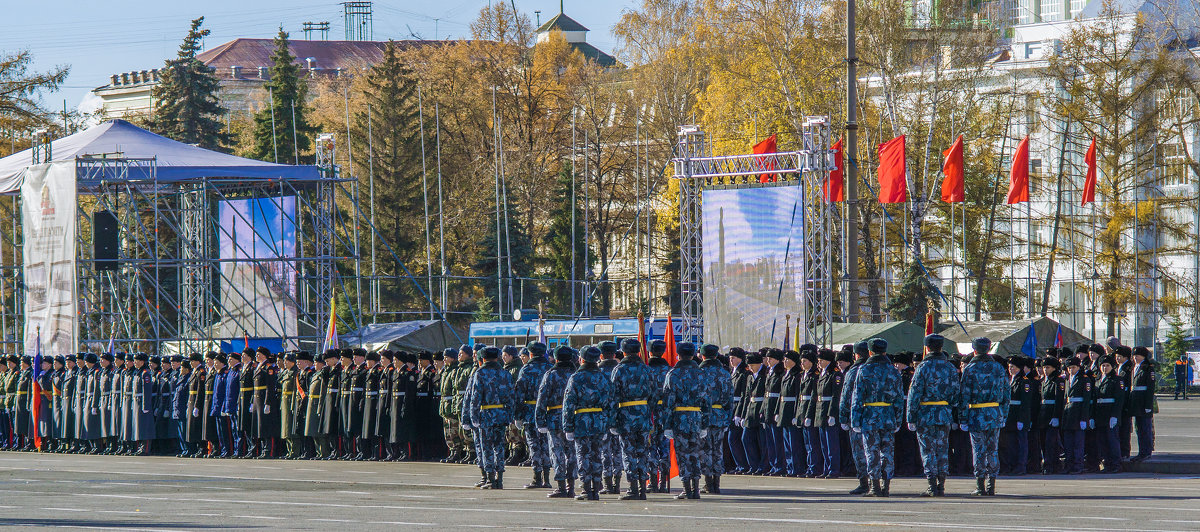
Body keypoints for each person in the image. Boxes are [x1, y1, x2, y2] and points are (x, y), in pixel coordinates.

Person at [906, 334, 959, 497]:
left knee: (928, 450)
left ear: (927, 348)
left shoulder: (923, 367)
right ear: (941, 347)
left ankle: (931, 485)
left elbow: (914, 394)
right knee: (942, 449)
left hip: (925, 415)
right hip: (943, 414)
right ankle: (941, 485)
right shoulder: (949, 367)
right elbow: (956, 393)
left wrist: (910, 417)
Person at [849, 338, 904, 497]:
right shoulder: (893, 370)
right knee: (887, 452)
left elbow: (857, 398)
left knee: (871, 451)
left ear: (870, 352)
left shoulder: (864, 370)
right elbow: (899, 399)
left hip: (869, 417)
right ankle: (886, 486)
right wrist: (898, 419)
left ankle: (874, 487)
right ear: (885, 351)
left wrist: (855, 420)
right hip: (888, 416)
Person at [958, 337, 1010, 496]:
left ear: (974, 350)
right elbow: (1006, 395)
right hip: (994, 414)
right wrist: (1003, 415)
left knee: (979, 450)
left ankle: (980, 486)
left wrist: (963, 418)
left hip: (976, 414)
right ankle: (991, 485)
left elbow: (964, 396)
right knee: (992, 450)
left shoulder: (970, 369)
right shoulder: (998, 368)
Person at [562, 345, 613, 501]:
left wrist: (567, 426)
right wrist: (607, 424)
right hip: (599, 422)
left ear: (581, 359)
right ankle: (596, 488)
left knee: (583, 454)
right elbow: (609, 403)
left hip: (581, 422)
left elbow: (569, 404)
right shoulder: (603, 377)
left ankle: (585, 489)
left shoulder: (576, 378)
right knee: (597, 455)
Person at [662, 342, 711, 500]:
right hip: (696, 418)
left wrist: (667, 425)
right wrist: (705, 423)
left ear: (678, 355)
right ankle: (696, 488)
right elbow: (707, 401)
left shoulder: (673, 374)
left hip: (679, 419)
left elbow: (668, 402)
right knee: (695, 453)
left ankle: (686, 488)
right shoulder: (701, 373)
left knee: (683, 455)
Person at [609, 338, 656, 500]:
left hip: (625, 417)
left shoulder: (619, 370)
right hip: (643, 416)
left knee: (628, 453)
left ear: (623, 352)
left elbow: (613, 397)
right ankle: (643, 487)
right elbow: (654, 395)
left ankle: (633, 488)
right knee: (643, 452)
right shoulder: (646, 369)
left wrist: (613, 421)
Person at [466, 346, 517, 489]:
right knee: (499, 447)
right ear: (497, 357)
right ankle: (499, 478)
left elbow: (475, 398)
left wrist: (473, 416)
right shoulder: (505, 373)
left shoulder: (480, 373)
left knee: (487, 447)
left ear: (483, 358)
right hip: (501, 415)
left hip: (486, 415)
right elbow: (511, 397)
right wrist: (509, 414)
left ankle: (490, 479)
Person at [537, 345, 579, 498]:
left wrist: (540, 421)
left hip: (554, 418)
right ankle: (571, 486)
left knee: (557, 452)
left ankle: (561, 487)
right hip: (575, 417)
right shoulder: (576, 373)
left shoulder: (551, 374)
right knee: (572, 452)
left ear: (556, 358)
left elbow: (542, 399)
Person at [515, 341, 552, 489]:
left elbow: (519, 394)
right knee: (547, 446)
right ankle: (547, 478)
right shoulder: (550, 368)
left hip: (531, 412)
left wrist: (517, 415)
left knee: (534, 446)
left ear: (530, 354)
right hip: (549, 411)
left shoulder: (526, 369)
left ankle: (537, 478)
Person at [699, 344, 733, 494]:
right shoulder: (724, 373)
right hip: (719, 415)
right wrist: (727, 418)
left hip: (703, 416)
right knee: (717, 450)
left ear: (702, 356)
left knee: (705, 450)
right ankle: (716, 483)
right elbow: (730, 399)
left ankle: (708, 483)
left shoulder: (700, 372)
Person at [839, 341, 871, 494]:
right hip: (881, 417)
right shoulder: (883, 369)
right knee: (878, 451)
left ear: (856, 355)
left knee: (859, 452)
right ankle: (881, 483)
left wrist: (843, 418)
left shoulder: (854, 371)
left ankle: (864, 483)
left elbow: (845, 398)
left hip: (857, 417)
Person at [596, 341, 624, 495]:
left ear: (601, 355)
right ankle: (617, 483)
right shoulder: (621, 370)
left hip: (602, 416)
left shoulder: (597, 371)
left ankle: (607, 484)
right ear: (614, 354)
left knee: (604, 452)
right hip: (620, 415)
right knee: (617, 450)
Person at [645, 339, 673, 492]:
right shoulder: (670, 370)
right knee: (664, 447)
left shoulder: (646, 370)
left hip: (650, 413)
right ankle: (663, 481)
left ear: (649, 352)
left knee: (650, 447)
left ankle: (653, 481)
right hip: (666, 413)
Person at [1001, 356, 1033, 476]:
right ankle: (1011, 465)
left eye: (1012, 367)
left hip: (1019, 416)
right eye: (1009, 367)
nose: (1010, 369)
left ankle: (1020, 466)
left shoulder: (1024, 382)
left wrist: (1021, 419)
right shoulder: (1010, 380)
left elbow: (1025, 403)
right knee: (1010, 443)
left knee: (1021, 443)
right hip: (1010, 416)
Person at [815, 348, 843, 479]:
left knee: (832, 444)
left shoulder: (835, 374)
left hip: (829, 410)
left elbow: (835, 396)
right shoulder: (822, 373)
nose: (819, 363)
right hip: (821, 409)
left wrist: (832, 414)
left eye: (821, 360)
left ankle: (834, 469)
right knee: (824, 444)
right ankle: (827, 468)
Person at [1093, 355, 1125, 473]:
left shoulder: (1117, 380)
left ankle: (1116, 464)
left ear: (1112, 367)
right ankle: (1107, 463)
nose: (1105, 368)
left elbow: (1119, 399)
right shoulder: (1097, 380)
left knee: (1112, 440)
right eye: (1103, 366)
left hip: (1110, 413)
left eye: (1107, 365)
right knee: (1102, 441)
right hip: (1100, 414)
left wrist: (1115, 416)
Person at [1061, 356, 1091, 474]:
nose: (1071, 370)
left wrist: (1084, 418)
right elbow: (1065, 398)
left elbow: (1086, 400)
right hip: (1068, 413)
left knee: (1078, 443)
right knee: (1068, 443)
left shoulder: (1084, 379)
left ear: (1078, 367)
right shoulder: (1068, 379)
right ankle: (1069, 465)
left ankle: (1078, 465)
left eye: (1073, 367)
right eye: (1069, 368)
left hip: (1078, 414)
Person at [776, 349, 804, 477]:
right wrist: (777, 411)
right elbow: (780, 395)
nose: (784, 361)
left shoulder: (797, 375)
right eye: (784, 359)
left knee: (794, 443)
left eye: (787, 359)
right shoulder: (785, 374)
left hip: (791, 410)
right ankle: (790, 466)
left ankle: (797, 467)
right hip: (784, 410)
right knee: (787, 442)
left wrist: (796, 414)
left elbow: (798, 396)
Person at [1036, 356, 1065, 474]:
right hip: (1043, 415)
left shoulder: (1058, 381)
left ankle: (1052, 465)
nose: (1045, 370)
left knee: (1051, 442)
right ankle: (1047, 464)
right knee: (1043, 442)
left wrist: (1056, 416)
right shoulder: (1043, 381)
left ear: (1054, 368)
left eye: (1048, 367)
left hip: (1052, 414)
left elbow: (1059, 400)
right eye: (1044, 367)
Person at [1128, 346, 1156, 462]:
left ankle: (1146, 451)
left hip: (1144, 402)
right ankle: (1141, 451)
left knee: (1145, 428)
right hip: (1136, 402)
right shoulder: (1136, 367)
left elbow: (1150, 389)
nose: (1135, 358)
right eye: (1134, 356)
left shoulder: (1148, 368)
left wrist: (1148, 406)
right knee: (1139, 428)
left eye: (1137, 356)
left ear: (1143, 356)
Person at [727, 348, 751, 474]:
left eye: (734, 358)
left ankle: (744, 465)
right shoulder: (733, 372)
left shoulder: (743, 373)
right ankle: (740, 465)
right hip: (732, 407)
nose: (731, 360)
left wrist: (739, 414)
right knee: (733, 439)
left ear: (741, 359)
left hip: (738, 408)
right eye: (730, 358)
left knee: (735, 438)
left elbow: (743, 395)